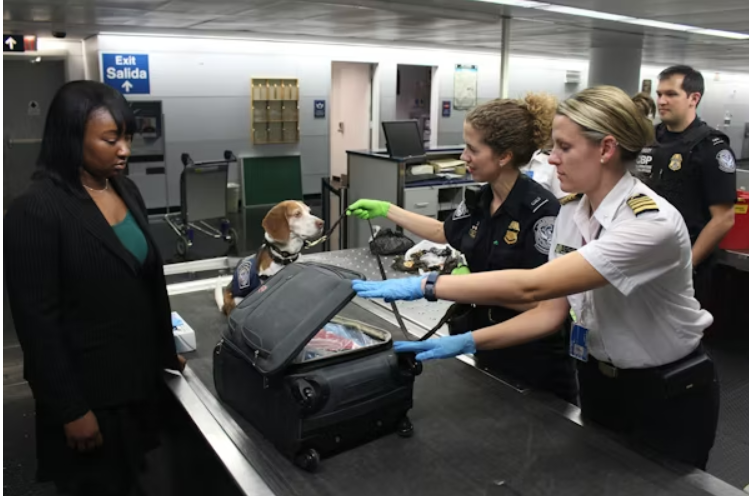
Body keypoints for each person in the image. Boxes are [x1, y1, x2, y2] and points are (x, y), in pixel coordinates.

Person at [352, 86, 720, 469]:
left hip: (663, 391)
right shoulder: (571, 213)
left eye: (563, 147)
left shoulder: (648, 224)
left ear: (606, 149)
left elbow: (534, 285)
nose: (550, 158)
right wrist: (467, 341)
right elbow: (549, 312)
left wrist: (426, 286)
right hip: (597, 381)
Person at [4, 80, 185, 496]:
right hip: (90, 399)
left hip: (137, 387)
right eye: (110, 139)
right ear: (70, 139)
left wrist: (163, 349)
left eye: (127, 138)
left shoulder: (125, 188)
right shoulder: (36, 210)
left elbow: (146, 283)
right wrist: (70, 409)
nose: (125, 150)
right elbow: (37, 325)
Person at [347, 94, 577, 404]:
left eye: (472, 148)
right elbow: (445, 232)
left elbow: (539, 304)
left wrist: (453, 286)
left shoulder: (541, 212)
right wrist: (387, 209)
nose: (463, 155)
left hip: (529, 359)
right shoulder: (480, 199)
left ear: (504, 156)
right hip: (485, 343)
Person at [636, 65, 737, 305]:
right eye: (659, 94)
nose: (662, 101)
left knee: (677, 338)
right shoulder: (649, 138)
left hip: (682, 265)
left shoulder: (711, 148)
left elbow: (724, 218)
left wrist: (687, 265)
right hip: (643, 256)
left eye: (671, 94)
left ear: (694, 98)